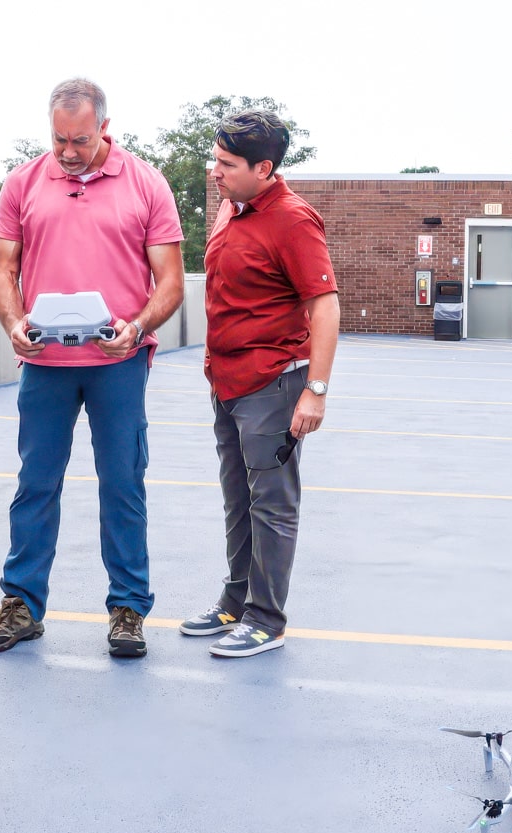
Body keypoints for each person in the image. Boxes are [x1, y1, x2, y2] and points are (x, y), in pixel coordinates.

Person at [0, 78, 185, 659]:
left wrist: (137, 328)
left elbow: (169, 281)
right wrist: (13, 323)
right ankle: (20, 605)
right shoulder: (22, 183)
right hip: (44, 362)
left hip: (118, 361)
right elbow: (2, 272)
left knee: (123, 484)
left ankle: (128, 609)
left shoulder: (146, 183)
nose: (67, 152)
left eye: (81, 140)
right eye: (59, 139)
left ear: (105, 129)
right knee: (35, 484)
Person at [180, 110, 340, 659]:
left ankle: (266, 619)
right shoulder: (231, 207)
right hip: (226, 384)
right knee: (238, 502)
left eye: (227, 164)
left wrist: (314, 389)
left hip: (272, 384)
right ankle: (235, 600)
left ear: (264, 167)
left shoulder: (295, 221)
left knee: (272, 504)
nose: (215, 171)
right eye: (216, 159)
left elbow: (324, 305)